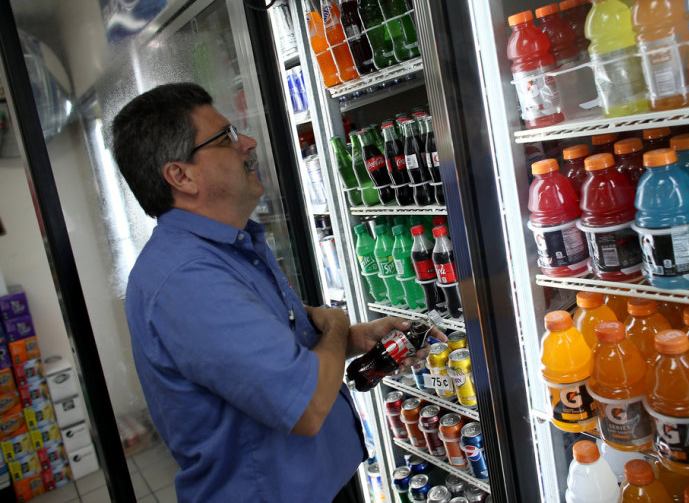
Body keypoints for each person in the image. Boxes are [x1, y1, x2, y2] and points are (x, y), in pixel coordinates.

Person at [111, 83, 444, 502]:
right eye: (226, 138)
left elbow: (263, 363)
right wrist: (337, 327)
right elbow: (304, 405)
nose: (247, 143)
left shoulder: (228, 247)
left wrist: (353, 340)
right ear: (181, 175)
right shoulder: (187, 279)